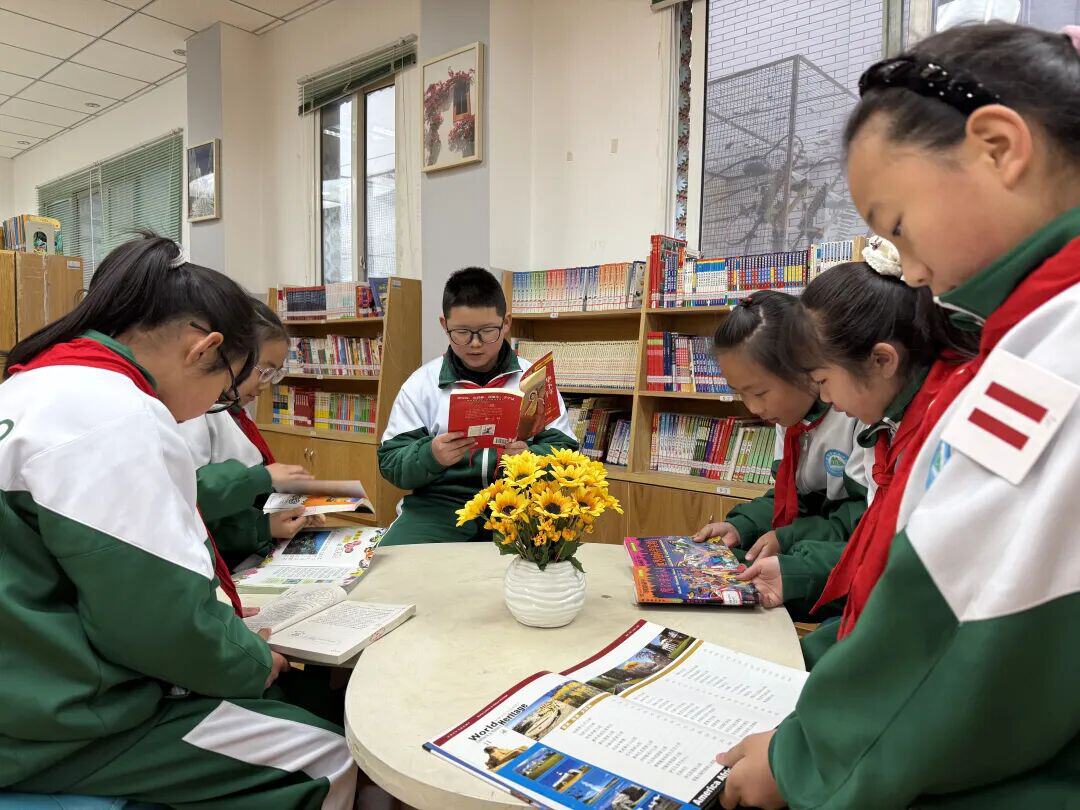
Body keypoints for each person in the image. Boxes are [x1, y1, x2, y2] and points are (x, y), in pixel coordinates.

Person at [719, 23, 1080, 810]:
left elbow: (951, 626)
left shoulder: (1055, 361)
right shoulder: (1028, 336)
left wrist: (800, 761)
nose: (910, 270)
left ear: (998, 147)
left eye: (896, 226)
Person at [0, 234, 355, 807]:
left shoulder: (30, 384)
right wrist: (250, 662)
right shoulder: (122, 416)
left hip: (29, 683)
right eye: (224, 391)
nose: (214, 407)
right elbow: (154, 623)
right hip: (45, 725)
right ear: (203, 349)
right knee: (327, 755)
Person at [736, 250, 975, 664]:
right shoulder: (892, 424)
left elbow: (911, 604)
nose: (825, 397)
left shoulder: (945, 433)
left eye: (823, 380)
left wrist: (806, 661)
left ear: (882, 360)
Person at [691, 291, 866, 620]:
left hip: (850, 552)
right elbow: (790, 497)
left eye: (759, 392)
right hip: (819, 541)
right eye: (740, 394)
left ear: (805, 368)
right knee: (719, 569)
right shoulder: (789, 417)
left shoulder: (855, 413)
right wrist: (742, 525)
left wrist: (788, 538)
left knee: (753, 581)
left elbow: (862, 521)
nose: (753, 408)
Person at [378, 266, 578, 545]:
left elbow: (568, 453)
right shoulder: (422, 384)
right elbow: (390, 461)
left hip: (520, 503)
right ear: (444, 325)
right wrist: (430, 454)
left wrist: (530, 457)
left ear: (506, 323)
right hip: (439, 506)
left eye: (487, 331)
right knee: (395, 562)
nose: (475, 344)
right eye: (461, 332)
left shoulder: (534, 379)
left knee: (548, 562)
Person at [178, 298, 316, 568]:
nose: (265, 385)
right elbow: (194, 502)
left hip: (250, 547)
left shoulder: (234, 410)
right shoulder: (194, 413)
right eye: (263, 371)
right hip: (223, 562)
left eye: (274, 375)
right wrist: (262, 524)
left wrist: (291, 510)